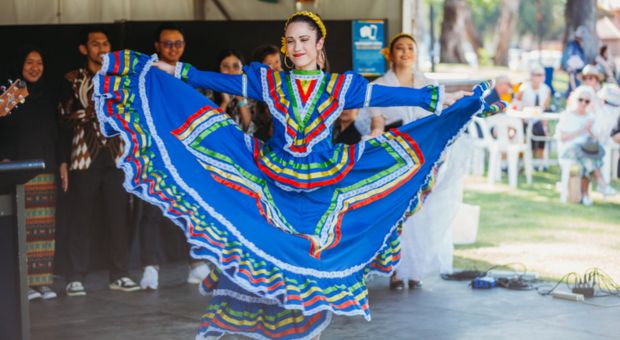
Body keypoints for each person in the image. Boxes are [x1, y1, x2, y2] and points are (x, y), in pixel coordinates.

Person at [93, 11, 501, 339]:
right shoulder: (267, 81)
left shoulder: (343, 86)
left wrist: (450, 99)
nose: (296, 47)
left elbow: (404, 95)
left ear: (319, 44)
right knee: (261, 255)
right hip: (270, 183)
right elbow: (204, 78)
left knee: (314, 263)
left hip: (324, 192)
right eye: (290, 41)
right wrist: (165, 70)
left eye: (305, 40)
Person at [358, 33, 468, 290]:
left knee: (424, 214)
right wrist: (375, 136)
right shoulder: (380, 85)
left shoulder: (429, 85)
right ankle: (397, 269)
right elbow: (377, 122)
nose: (406, 52)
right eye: (400, 48)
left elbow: (441, 118)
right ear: (391, 53)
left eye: (410, 48)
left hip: (426, 156)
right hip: (397, 158)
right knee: (402, 215)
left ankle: (417, 268)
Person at [61, 27, 139, 296]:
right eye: (95, 44)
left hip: (116, 155)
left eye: (105, 43)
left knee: (119, 216)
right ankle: (75, 276)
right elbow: (64, 115)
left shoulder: (120, 78)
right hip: (84, 155)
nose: (102, 48)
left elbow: (128, 113)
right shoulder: (73, 78)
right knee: (81, 216)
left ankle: (119, 273)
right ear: (85, 49)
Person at [138, 23, 211, 290]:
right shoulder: (146, 74)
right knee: (153, 210)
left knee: (190, 209)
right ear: (157, 46)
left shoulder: (188, 74)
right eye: (167, 44)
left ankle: (196, 264)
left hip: (185, 153)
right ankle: (150, 266)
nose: (173, 48)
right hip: (155, 151)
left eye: (178, 44)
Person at [0, 46, 61, 300]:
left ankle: (42, 282)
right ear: (19, 65)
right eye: (29, 62)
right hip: (17, 169)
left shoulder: (48, 95)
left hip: (44, 168)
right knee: (21, 228)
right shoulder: (11, 93)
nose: (34, 67)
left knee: (44, 228)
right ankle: (22, 283)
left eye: (39, 62)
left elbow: (57, 133)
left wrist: (62, 163)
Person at [556, 86, 616, 206]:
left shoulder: (591, 117)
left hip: (586, 152)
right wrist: (582, 129)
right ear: (575, 99)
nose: (583, 103)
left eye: (587, 101)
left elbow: (596, 139)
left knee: (589, 152)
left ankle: (586, 194)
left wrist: (589, 130)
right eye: (580, 99)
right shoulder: (566, 115)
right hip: (569, 150)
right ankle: (598, 185)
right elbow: (563, 138)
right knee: (582, 150)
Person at [515, 64, 552, 170]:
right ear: (532, 76)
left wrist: (545, 124)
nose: (541, 77)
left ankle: (540, 161)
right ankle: (530, 160)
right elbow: (517, 103)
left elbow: (545, 107)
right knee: (533, 131)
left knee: (542, 131)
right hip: (525, 118)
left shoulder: (546, 89)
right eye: (538, 75)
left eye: (542, 75)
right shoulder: (524, 88)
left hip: (538, 118)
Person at [211, 49, 252, 131]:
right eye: (226, 66)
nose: (231, 71)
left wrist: (241, 100)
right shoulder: (209, 91)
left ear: (242, 70)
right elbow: (211, 128)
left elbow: (250, 129)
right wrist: (225, 102)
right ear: (219, 69)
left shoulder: (250, 92)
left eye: (236, 66)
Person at [250, 44, 281, 141]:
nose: (276, 67)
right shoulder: (255, 89)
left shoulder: (287, 82)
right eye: (269, 65)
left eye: (277, 62)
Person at [561, 25, 588, 96]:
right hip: (573, 71)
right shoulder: (571, 46)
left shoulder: (580, 47)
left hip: (579, 71)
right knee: (572, 89)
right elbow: (566, 58)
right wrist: (568, 67)